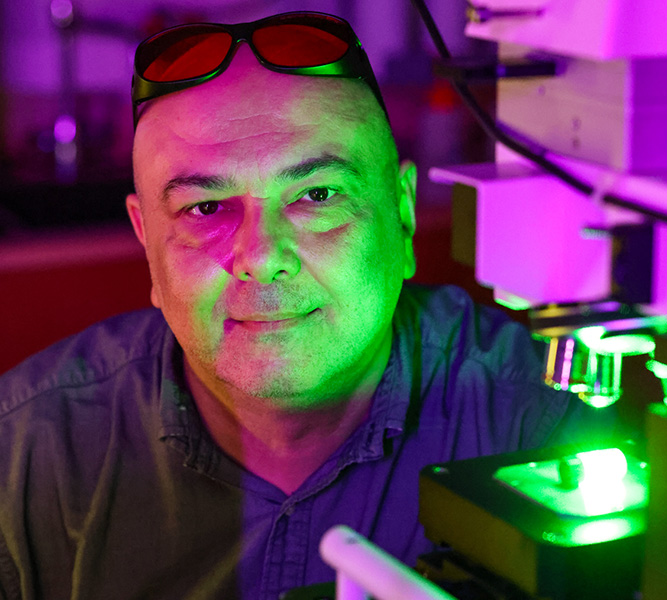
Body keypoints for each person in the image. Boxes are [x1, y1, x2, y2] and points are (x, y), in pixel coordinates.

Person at [0, 12, 593, 600]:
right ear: (146, 241)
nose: (261, 257)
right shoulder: (23, 456)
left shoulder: (543, 430)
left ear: (404, 215)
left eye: (317, 194)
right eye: (205, 208)